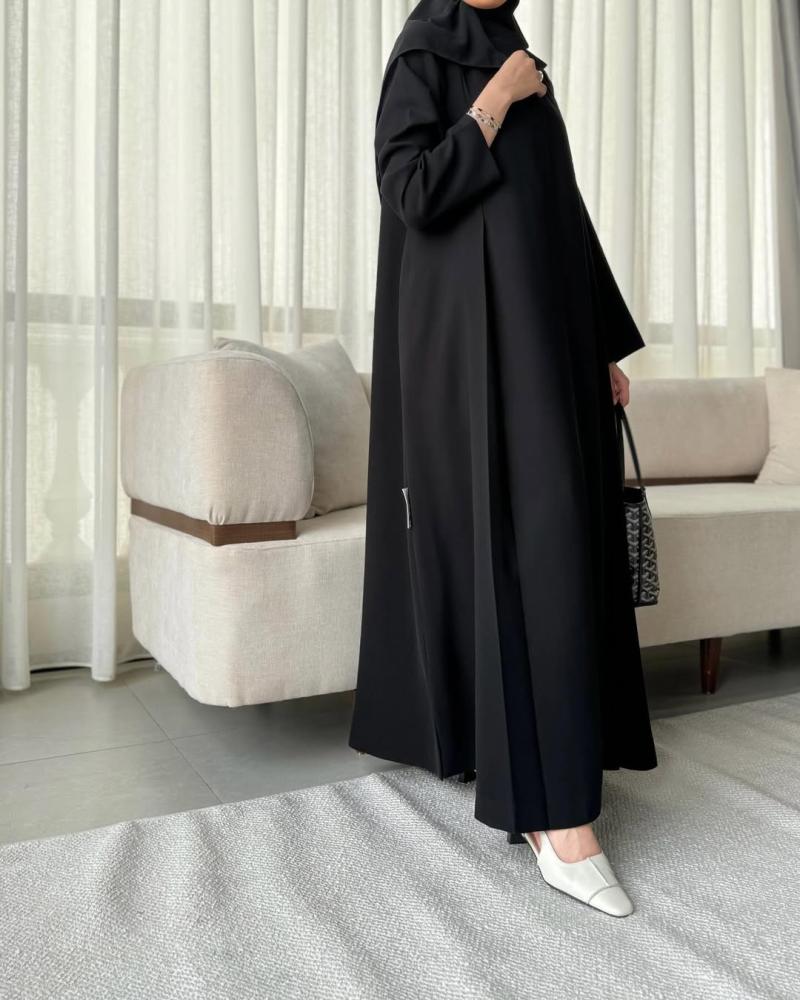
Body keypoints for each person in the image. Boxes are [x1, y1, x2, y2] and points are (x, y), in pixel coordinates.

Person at [348, 0, 658, 918]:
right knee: (526, 544)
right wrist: (492, 103)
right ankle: (554, 818)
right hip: (472, 351)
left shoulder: (519, 56)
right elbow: (410, 190)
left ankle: (540, 759)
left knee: (559, 539)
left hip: (548, 343)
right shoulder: (426, 52)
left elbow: (560, 216)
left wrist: (600, 345)